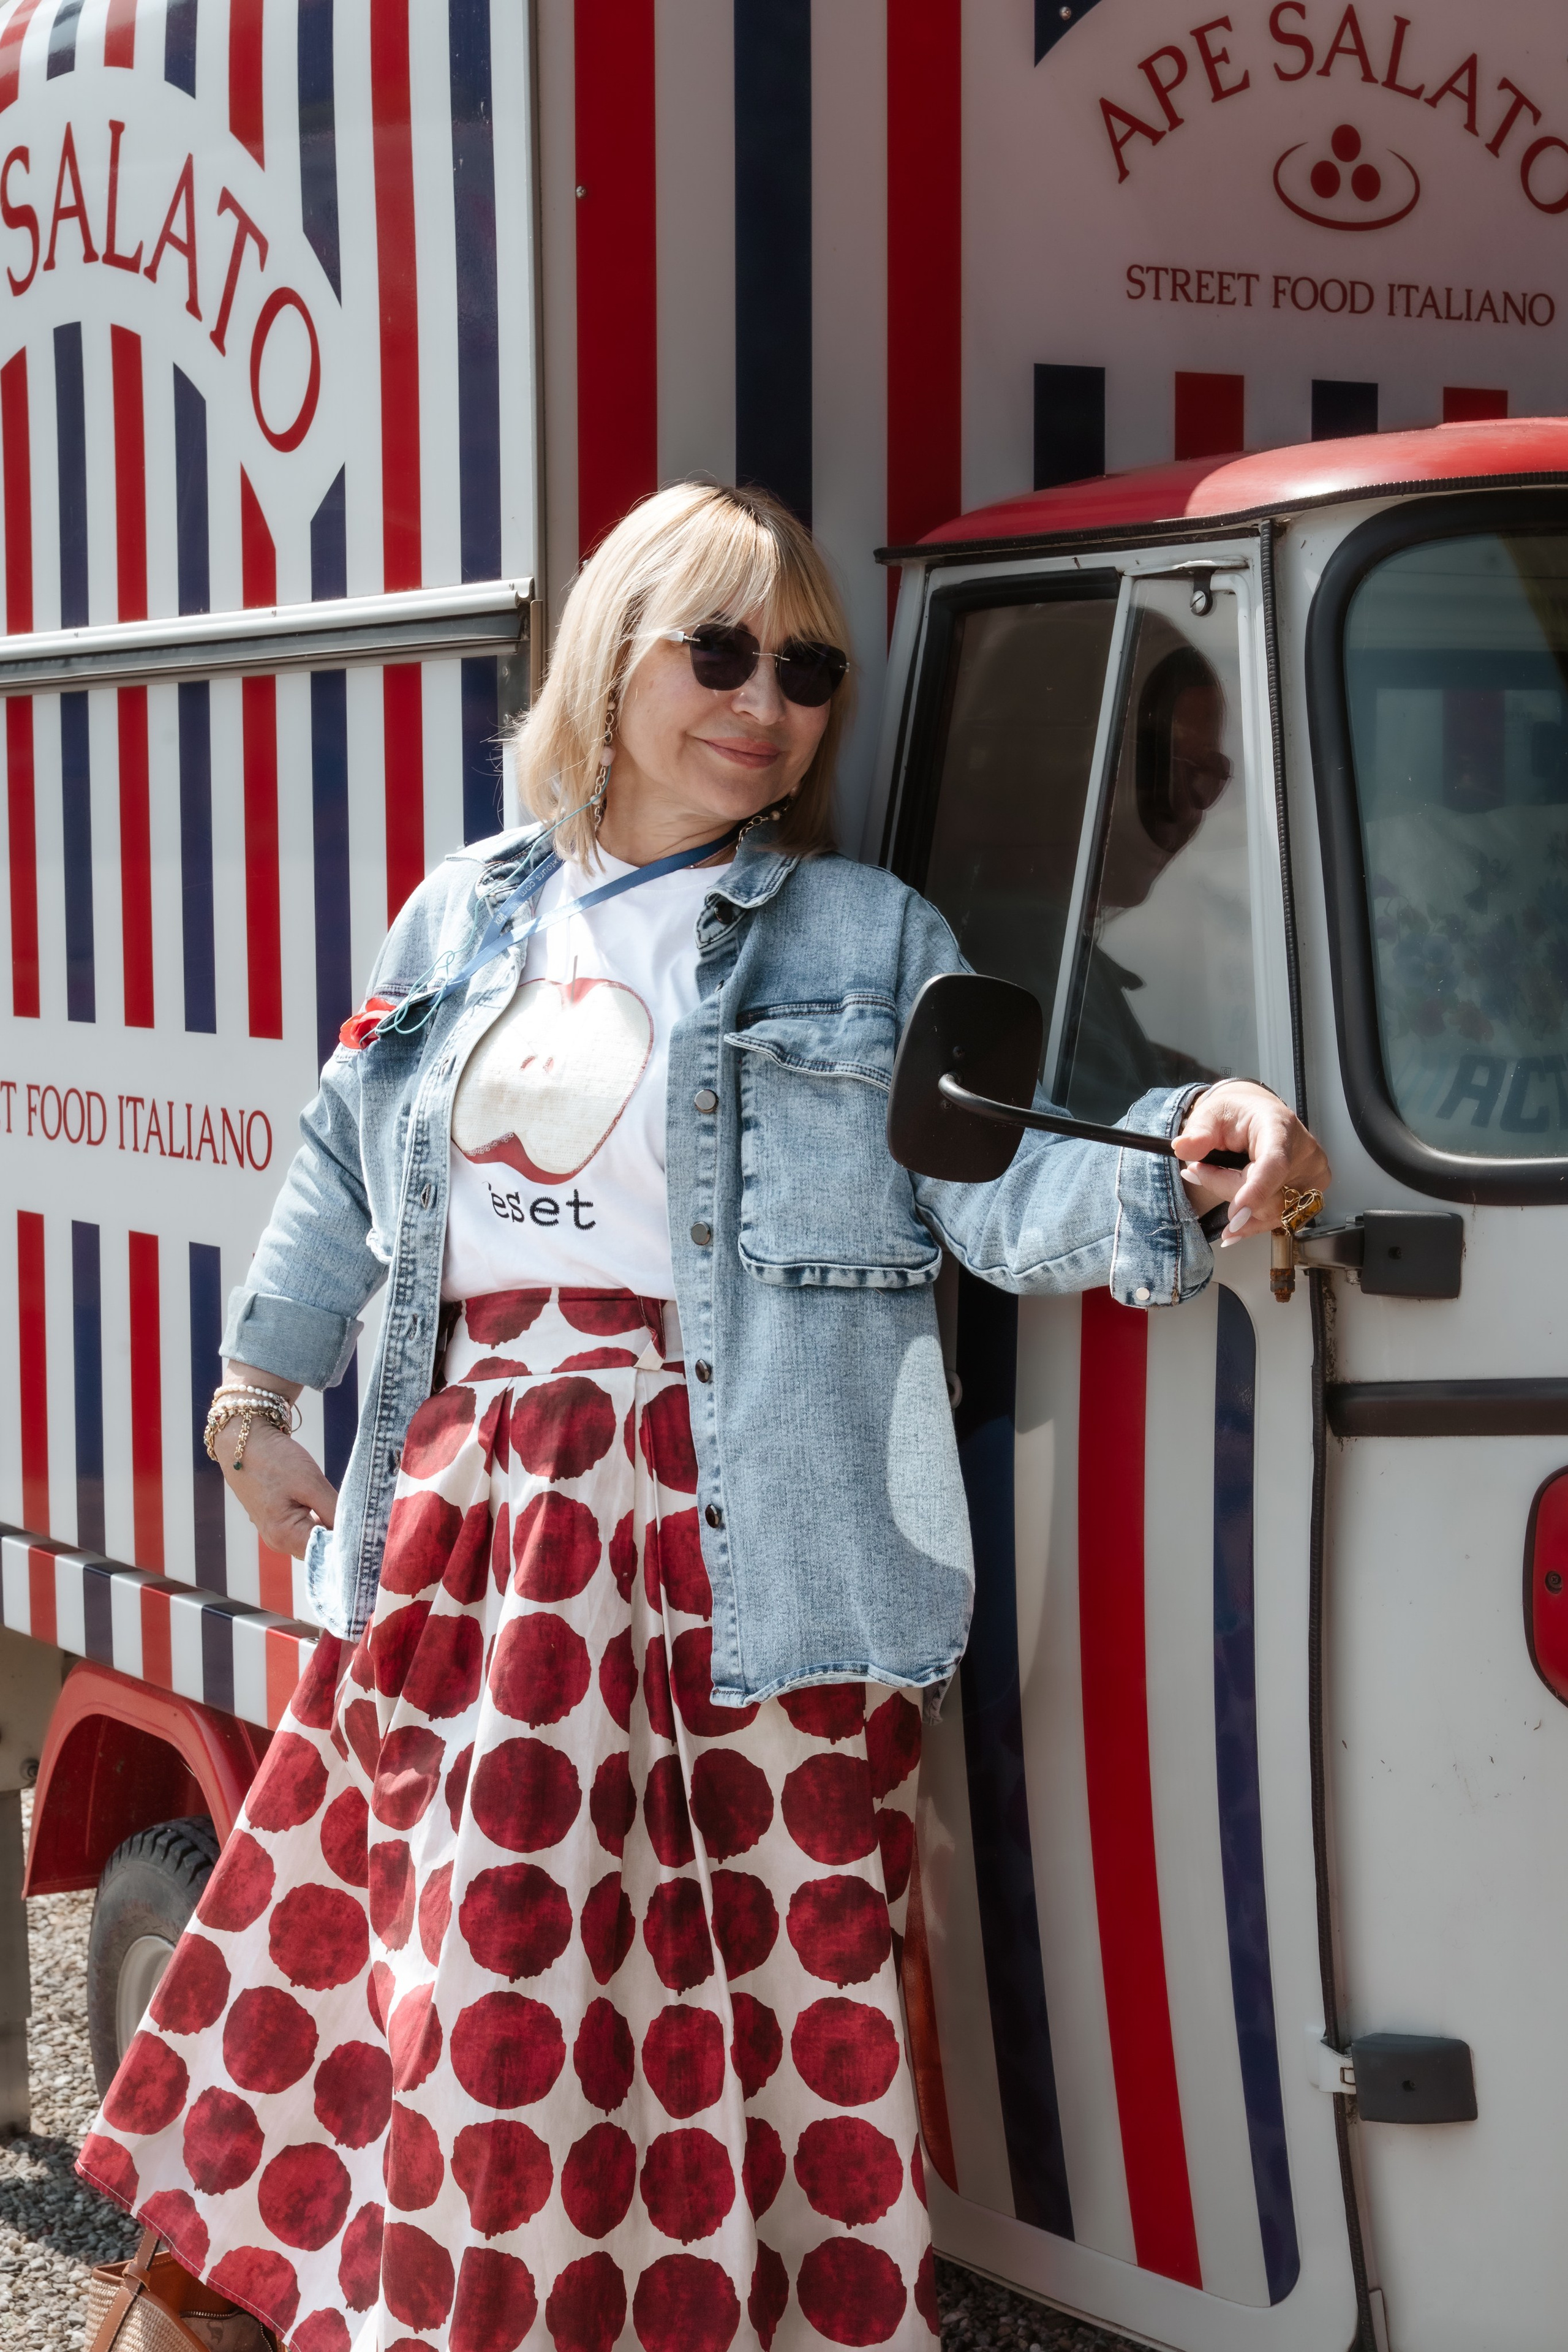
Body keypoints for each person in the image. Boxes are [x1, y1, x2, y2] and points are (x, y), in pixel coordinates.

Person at [77, 481, 1330, 2352]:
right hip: (471, 1554)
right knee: (469, 1998)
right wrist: (257, 1390)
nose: (770, 702)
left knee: (764, 2011)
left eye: (808, 669)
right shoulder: (462, 915)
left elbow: (996, 1188)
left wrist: (1189, 1157)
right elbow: (345, 1174)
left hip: (764, 1557)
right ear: (613, 658)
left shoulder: (866, 936)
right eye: (723, 651)